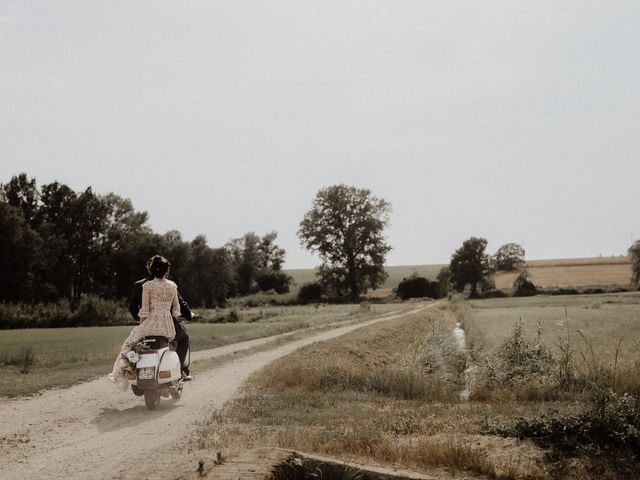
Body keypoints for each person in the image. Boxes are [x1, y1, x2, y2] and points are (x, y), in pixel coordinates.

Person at [108, 255, 183, 388]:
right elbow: (176, 309)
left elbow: (145, 310)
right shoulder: (173, 286)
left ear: (151, 270)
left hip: (150, 324)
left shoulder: (147, 286)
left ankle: (120, 373)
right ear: (167, 271)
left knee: (128, 345)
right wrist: (172, 316)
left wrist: (141, 325)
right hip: (167, 328)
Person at [128, 256, 193, 380]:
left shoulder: (140, 285)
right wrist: (189, 316)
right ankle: (180, 370)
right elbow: (180, 304)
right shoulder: (170, 285)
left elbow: (132, 308)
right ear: (166, 270)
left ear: (149, 268)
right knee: (183, 337)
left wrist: (141, 322)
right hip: (167, 324)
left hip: (145, 323)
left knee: (134, 345)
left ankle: (134, 369)